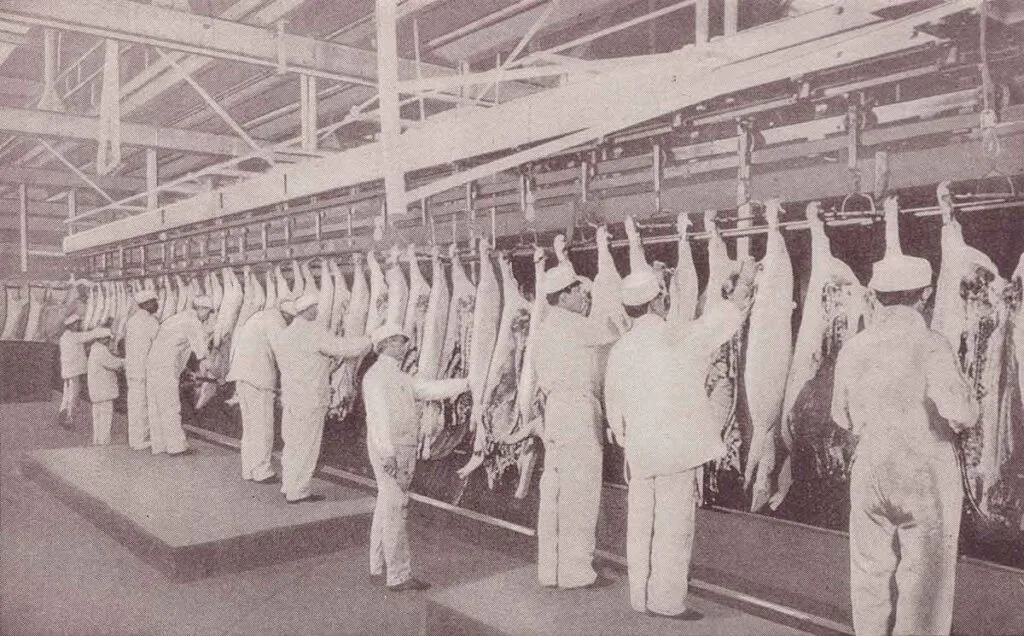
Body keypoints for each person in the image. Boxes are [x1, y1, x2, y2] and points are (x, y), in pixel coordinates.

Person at [832, 253, 977, 636]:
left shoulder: (854, 347)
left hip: (869, 468)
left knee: (869, 570)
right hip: (923, 472)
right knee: (925, 580)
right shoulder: (931, 345)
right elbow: (960, 412)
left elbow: (841, 416)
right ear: (925, 295)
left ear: (875, 296)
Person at [604, 263, 754, 619]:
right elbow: (721, 323)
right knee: (673, 528)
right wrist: (742, 286)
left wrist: (627, 438)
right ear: (658, 303)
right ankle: (667, 601)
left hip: (640, 452)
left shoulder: (621, 350)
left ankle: (639, 597)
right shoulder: (677, 336)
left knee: (639, 525)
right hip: (676, 453)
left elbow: (613, 405)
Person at [532, 263, 622, 590]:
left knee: (553, 491)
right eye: (577, 291)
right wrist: (605, 294)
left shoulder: (544, 328)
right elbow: (614, 329)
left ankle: (550, 569)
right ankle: (576, 570)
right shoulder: (574, 325)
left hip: (555, 413)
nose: (582, 295)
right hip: (577, 412)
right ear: (564, 295)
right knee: (580, 493)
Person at [362, 323, 470, 591]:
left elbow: (428, 389)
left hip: (403, 447)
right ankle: (398, 575)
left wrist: (467, 383)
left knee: (386, 504)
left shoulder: (400, 377)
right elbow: (377, 418)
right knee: (397, 507)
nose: (406, 345)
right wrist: (387, 453)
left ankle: (377, 566)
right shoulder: (375, 377)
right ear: (385, 345)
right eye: (400, 341)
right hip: (392, 450)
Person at [272, 293, 370, 504]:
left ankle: (288, 485)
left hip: (291, 397)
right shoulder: (312, 332)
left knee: (292, 443)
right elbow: (346, 348)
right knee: (307, 446)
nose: (318, 311)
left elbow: (308, 360)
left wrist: (326, 364)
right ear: (306, 310)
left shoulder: (285, 334)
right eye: (315, 308)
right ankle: (298, 492)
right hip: (310, 399)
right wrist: (369, 340)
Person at [226, 300, 287, 483]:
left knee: (250, 426)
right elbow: (283, 353)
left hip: (242, 378)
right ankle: (262, 471)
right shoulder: (277, 322)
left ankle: (249, 470)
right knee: (263, 426)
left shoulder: (260, 317)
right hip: (259, 380)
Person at [146, 295, 214, 456]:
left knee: (156, 406)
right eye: (208, 312)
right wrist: (217, 376)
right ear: (201, 309)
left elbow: (176, 347)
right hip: (165, 368)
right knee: (170, 406)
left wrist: (186, 370)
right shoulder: (193, 323)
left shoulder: (178, 318)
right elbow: (202, 354)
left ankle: (160, 445)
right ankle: (176, 447)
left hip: (154, 364)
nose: (208, 316)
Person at [58, 314, 111, 429]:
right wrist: (106, 328)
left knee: (67, 395)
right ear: (70, 325)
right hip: (73, 372)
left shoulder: (64, 337)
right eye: (76, 323)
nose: (78, 325)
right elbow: (91, 335)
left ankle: (63, 414)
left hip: (68, 371)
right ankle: (69, 419)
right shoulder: (73, 337)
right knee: (73, 395)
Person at [124, 289, 160, 450]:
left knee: (135, 404)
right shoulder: (150, 322)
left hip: (132, 369)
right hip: (144, 369)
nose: (157, 304)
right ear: (146, 304)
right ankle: (140, 440)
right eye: (154, 301)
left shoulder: (132, 320)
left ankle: (136, 439)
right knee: (142, 405)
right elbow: (159, 343)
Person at [87, 326, 124, 446]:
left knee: (97, 416)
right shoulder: (101, 350)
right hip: (104, 391)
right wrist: (127, 361)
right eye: (108, 339)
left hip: (96, 390)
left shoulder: (94, 349)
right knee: (105, 417)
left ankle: (97, 440)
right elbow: (114, 363)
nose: (109, 341)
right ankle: (104, 442)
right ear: (103, 339)